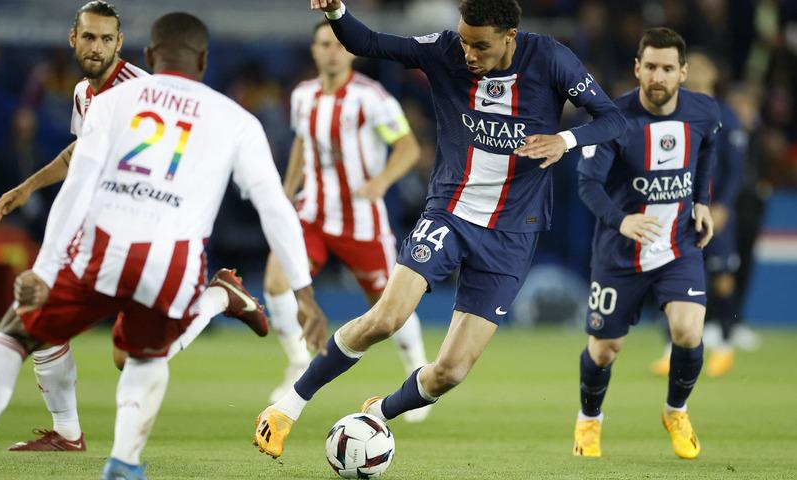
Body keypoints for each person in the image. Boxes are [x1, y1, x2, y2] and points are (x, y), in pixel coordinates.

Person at [0, 11, 328, 480]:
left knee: (15, 334)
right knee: (142, 356)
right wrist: (303, 293)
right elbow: (274, 207)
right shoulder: (237, 120)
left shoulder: (115, 100)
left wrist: (44, 270)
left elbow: (77, 186)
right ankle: (122, 460)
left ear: (143, 52)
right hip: (173, 262)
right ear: (205, 60)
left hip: (104, 245)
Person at [253, 0, 625, 459]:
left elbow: (613, 119)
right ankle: (287, 407)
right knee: (385, 319)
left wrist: (565, 140)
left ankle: (378, 413)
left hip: (513, 232)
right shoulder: (445, 50)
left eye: (481, 46)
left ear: (511, 36)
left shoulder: (549, 58)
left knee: (450, 371)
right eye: (465, 40)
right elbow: (368, 42)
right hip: (449, 211)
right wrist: (336, 11)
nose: (469, 54)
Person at [0, 1, 149, 452]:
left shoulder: (143, 90)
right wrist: (27, 186)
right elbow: (79, 153)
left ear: (120, 43)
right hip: (94, 230)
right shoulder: (83, 93)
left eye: (106, 39)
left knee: (122, 351)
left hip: (140, 233)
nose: (96, 47)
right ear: (72, 39)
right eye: (88, 37)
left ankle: (216, 299)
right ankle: (66, 432)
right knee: (39, 321)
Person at [262, 21, 431, 422]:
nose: (332, 51)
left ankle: (416, 369)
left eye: (338, 44)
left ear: (351, 52)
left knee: (388, 307)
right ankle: (297, 363)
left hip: (361, 221)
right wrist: (288, 191)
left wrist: (381, 182)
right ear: (314, 50)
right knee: (275, 282)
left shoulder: (372, 98)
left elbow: (407, 148)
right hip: (313, 215)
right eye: (324, 44)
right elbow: (302, 143)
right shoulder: (302, 96)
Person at [572, 28, 719, 459]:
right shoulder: (612, 121)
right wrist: (622, 221)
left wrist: (702, 201)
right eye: (650, 66)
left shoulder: (704, 112)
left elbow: (708, 147)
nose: (658, 76)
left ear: (683, 73)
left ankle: (676, 410)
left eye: (668, 68)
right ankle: (589, 420)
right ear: (637, 68)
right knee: (604, 350)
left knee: (688, 330)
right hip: (620, 253)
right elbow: (587, 183)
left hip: (678, 245)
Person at [649, 50, 747, 378]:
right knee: (671, 275)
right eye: (694, 67)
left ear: (713, 73)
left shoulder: (725, 115)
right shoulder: (671, 112)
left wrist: (724, 205)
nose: (699, 72)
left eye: (706, 66)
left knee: (721, 278)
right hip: (677, 209)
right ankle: (670, 346)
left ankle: (724, 342)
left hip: (714, 210)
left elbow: (736, 169)